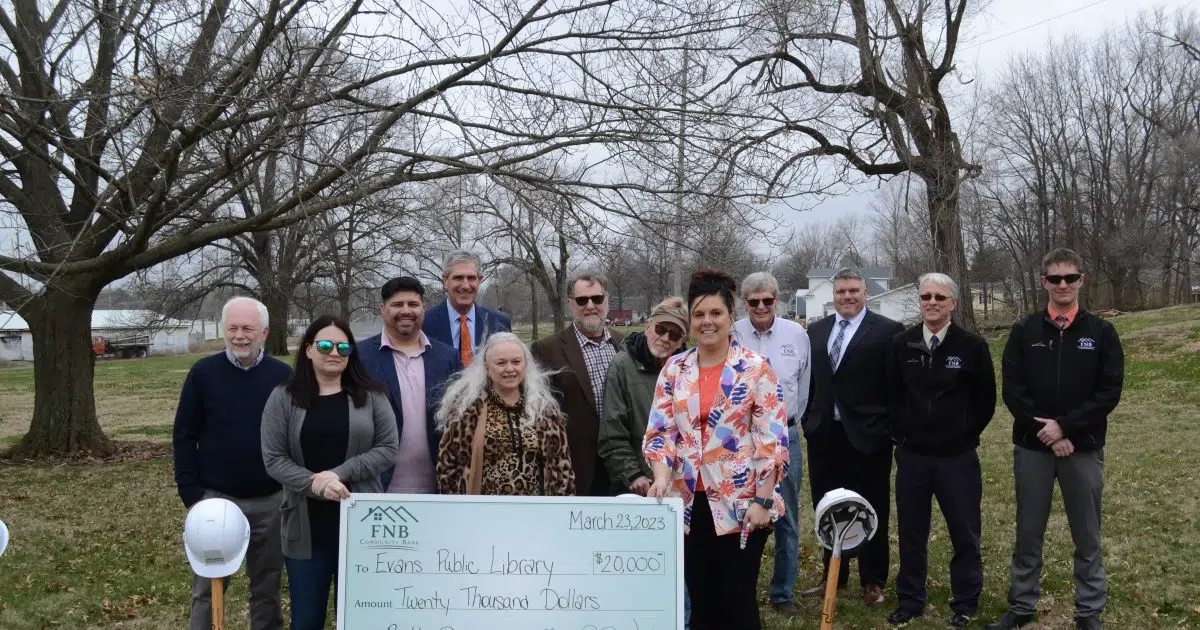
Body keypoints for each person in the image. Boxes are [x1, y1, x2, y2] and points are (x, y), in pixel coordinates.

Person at [644, 269, 789, 630]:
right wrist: (661, 476)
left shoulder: (755, 370)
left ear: (730, 316)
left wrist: (763, 500)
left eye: (715, 313)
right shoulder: (675, 370)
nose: (707, 322)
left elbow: (771, 439)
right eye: (699, 314)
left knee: (736, 604)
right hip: (688, 507)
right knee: (703, 605)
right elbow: (660, 432)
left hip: (741, 505)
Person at [987, 249, 1124, 630]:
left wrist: (1066, 428)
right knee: (1028, 531)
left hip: (1083, 448)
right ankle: (1022, 605)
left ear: (1081, 280)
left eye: (1069, 278)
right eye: (1054, 278)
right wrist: (1046, 433)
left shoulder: (1101, 332)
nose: (1062, 285)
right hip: (1034, 448)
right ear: (1043, 282)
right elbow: (1013, 392)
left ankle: (1089, 609)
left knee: (1087, 533)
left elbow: (1108, 392)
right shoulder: (1024, 332)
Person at [261, 315, 399, 630]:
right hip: (306, 527)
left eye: (342, 347)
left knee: (358, 620)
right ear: (308, 349)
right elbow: (274, 458)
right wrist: (316, 486)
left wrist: (338, 473)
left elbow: (389, 447)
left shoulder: (372, 395)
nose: (333, 352)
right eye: (325, 345)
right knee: (307, 620)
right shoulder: (284, 397)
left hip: (360, 526)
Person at [172, 296, 291, 630]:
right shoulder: (203, 373)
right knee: (208, 589)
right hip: (215, 501)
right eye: (233, 328)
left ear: (264, 332)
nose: (240, 336)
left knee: (266, 588)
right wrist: (193, 495)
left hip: (270, 500)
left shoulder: (282, 375)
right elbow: (184, 434)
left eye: (248, 328)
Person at [885, 273, 996, 629]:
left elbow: (985, 402)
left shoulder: (972, 347)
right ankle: (911, 599)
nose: (932, 302)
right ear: (919, 301)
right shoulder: (902, 345)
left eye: (940, 297)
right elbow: (892, 397)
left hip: (957, 459)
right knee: (912, 532)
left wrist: (961, 434)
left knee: (964, 532)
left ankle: (965, 601)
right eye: (926, 296)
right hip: (913, 457)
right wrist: (902, 436)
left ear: (953, 304)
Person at [801, 268, 904, 605]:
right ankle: (834, 575)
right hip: (824, 436)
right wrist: (809, 420)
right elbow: (811, 382)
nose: (847, 296)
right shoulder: (816, 331)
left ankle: (873, 580)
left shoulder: (888, 332)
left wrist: (886, 429)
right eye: (841, 291)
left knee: (871, 507)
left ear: (865, 293)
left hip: (867, 436)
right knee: (827, 507)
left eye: (854, 291)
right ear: (833, 295)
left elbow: (896, 386)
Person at [732, 271, 811, 617]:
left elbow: (804, 388)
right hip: (741, 440)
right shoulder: (732, 333)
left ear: (777, 301)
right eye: (754, 301)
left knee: (787, 519)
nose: (761, 306)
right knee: (738, 515)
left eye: (768, 300)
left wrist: (787, 425)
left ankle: (782, 592)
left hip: (786, 436)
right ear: (744, 302)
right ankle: (738, 591)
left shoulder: (797, 335)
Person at [435, 332, 576, 496]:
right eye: (501, 363)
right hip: (483, 513)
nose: (510, 369)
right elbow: (448, 470)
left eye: (516, 362)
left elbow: (562, 468)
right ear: (487, 369)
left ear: (525, 365)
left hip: (534, 514)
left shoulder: (544, 409)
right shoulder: (466, 410)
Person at [358, 277, 462, 493]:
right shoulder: (360, 357)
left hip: (438, 486)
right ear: (382, 308)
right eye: (397, 304)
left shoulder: (447, 357)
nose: (406, 311)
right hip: (379, 486)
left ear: (423, 308)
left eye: (413, 304)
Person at [531, 271, 624, 496]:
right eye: (582, 300)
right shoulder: (547, 349)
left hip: (622, 468)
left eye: (597, 299)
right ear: (571, 304)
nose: (590, 306)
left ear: (607, 301)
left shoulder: (625, 344)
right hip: (575, 468)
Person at [599, 296, 689, 495]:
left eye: (674, 335)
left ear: (681, 342)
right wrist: (632, 474)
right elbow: (612, 431)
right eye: (661, 329)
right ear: (648, 326)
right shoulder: (623, 365)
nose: (665, 338)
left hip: (684, 482)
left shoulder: (689, 369)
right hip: (644, 482)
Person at [422, 250, 512, 366]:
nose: (465, 286)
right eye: (458, 278)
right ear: (445, 281)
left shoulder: (499, 323)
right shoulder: (424, 323)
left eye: (471, 278)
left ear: (479, 281)